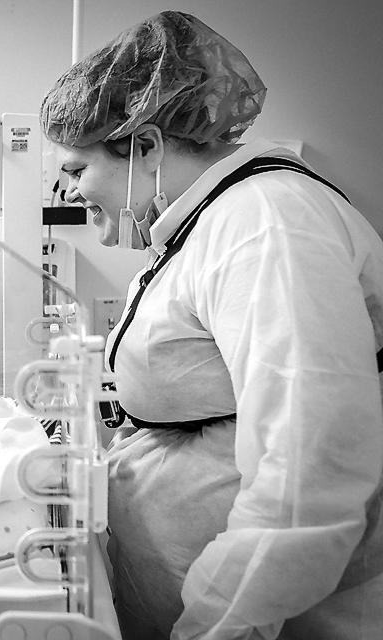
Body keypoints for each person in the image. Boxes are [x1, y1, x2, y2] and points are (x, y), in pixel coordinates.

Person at [41, 10, 383, 640]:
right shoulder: (211, 221)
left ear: (145, 145)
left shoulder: (267, 225)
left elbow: (306, 478)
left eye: (76, 170)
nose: (71, 196)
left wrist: (213, 627)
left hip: (269, 618)